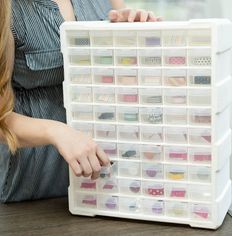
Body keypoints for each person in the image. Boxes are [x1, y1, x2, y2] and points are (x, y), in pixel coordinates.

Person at [0, 0, 160, 203]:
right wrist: (56, 132)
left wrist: (138, 40)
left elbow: (134, 82)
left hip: (108, 188)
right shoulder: (9, 8)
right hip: (34, 193)